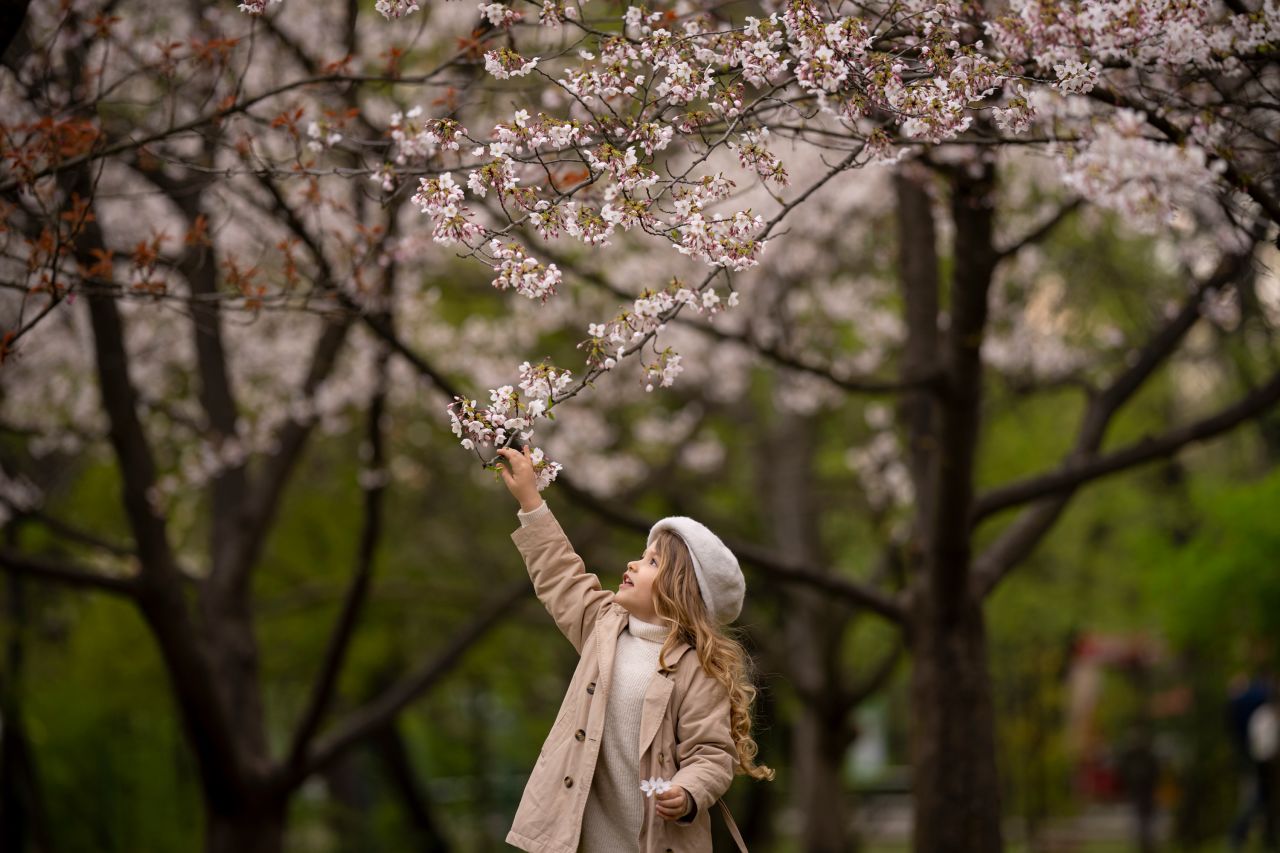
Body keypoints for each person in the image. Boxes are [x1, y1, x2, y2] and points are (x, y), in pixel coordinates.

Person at [495, 444, 774, 853]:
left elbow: (711, 754)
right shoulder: (602, 625)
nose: (632, 565)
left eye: (652, 563)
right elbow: (560, 574)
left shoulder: (698, 670)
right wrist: (531, 502)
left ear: (680, 590)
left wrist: (686, 791)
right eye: (641, 556)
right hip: (583, 839)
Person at [1227, 671, 1278, 851]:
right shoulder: (1263, 715)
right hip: (1261, 765)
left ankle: (1268, 839)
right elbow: (1263, 748)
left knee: (1263, 803)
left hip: (1257, 761)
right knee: (1257, 801)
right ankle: (1239, 835)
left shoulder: (1259, 713)